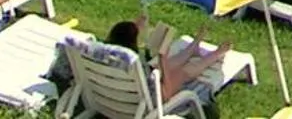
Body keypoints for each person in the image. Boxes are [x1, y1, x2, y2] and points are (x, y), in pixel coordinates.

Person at [98, 20, 231, 109]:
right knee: (181, 73)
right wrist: (163, 58)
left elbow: (122, 37)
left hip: (110, 94)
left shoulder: (101, 55)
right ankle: (216, 54)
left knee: (159, 67)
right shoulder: (134, 62)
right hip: (140, 103)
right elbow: (166, 93)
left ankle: (193, 47)